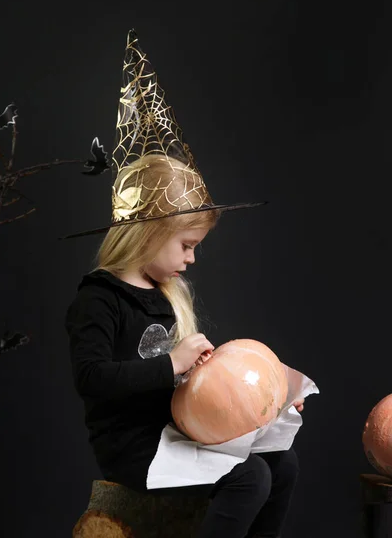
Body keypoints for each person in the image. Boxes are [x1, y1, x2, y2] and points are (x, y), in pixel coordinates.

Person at [65, 30, 302, 538]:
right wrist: (171, 364)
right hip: (136, 450)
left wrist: (270, 398)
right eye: (186, 245)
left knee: (282, 464)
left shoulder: (167, 294)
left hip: (178, 435)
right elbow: (92, 379)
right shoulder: (100, 298)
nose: (192, 259)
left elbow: (198, 390)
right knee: (249, 477)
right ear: (147, 235)